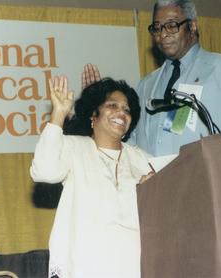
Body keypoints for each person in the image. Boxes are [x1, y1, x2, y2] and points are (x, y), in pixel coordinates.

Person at [83, 0, 221, 156]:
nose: (163, 34)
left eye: (171, 26)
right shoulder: (145, 85)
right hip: (156, 192)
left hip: (211, 189)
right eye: (157, 28)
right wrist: (96, 105)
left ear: (192, 25)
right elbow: (128, 145)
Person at [30, 76, 153, 278]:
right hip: (84, 265)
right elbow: (44, 171)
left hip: (133, 266)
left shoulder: (143, 161)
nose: (121, 112)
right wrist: (59, 114)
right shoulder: (73, 147)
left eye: (127, 109)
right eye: (112, 105)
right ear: (93, 115)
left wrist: (155, 190)